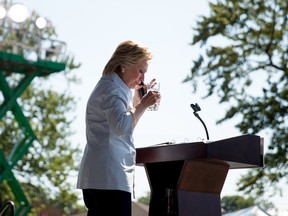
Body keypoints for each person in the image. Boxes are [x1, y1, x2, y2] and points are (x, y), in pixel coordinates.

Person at [77, 40, 161, 216]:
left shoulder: (112, 87)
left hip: (100, 176)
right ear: (123, 66)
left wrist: (138, 102)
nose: (142, 79)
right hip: (108, 178)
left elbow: (120, 127)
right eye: (140, 71)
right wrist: (143, 105)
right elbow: (122, 127)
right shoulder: (113, 90)